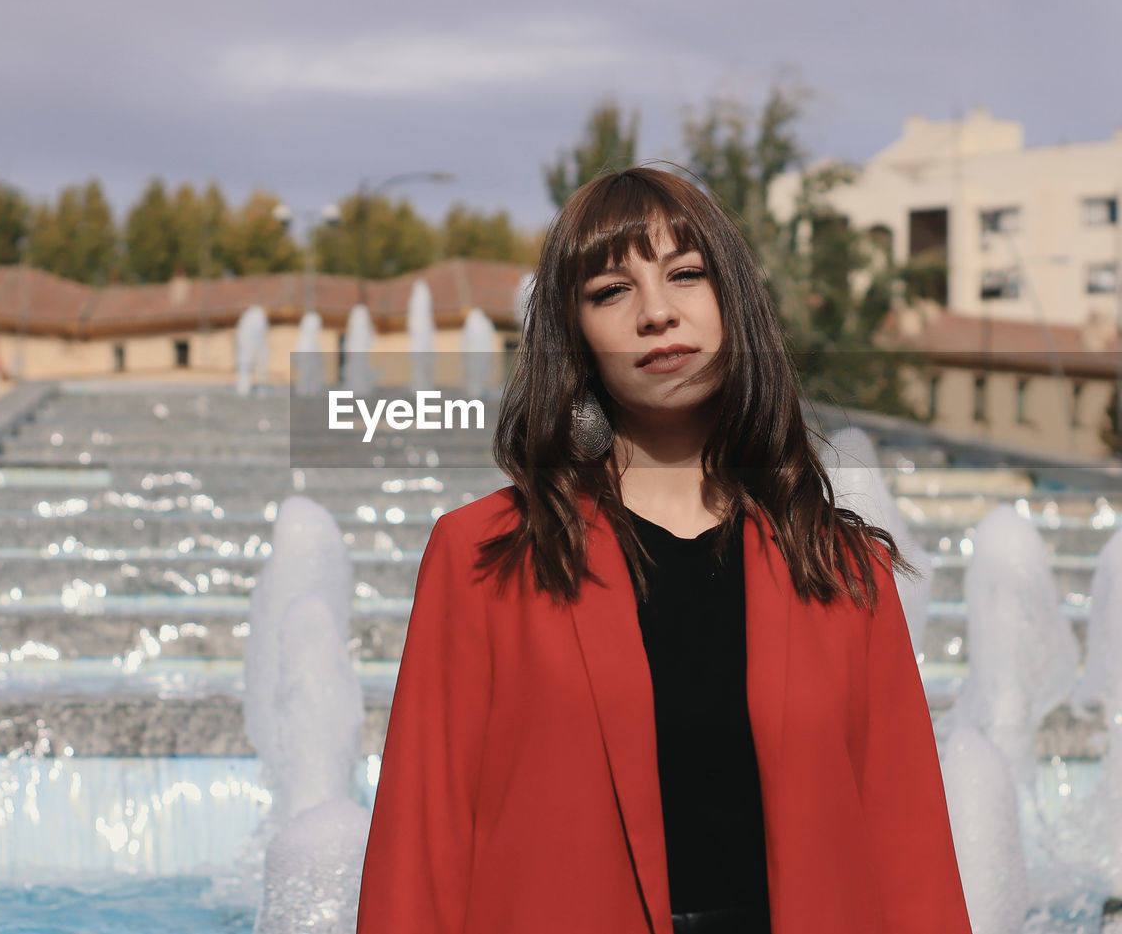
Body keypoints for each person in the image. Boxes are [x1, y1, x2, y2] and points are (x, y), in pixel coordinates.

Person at [355, 167, 972, 934]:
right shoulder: (484, 557)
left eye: (686, 274)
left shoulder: (842, 568)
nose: (657, 312)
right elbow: (419, 850)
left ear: (734, 303)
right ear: (574, 335)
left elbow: (914, 865)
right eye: (611, 291)